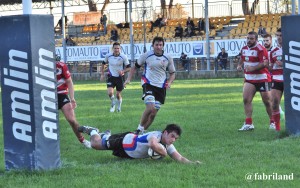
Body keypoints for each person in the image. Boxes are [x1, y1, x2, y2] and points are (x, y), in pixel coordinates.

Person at [124, 36, 176, 134]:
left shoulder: (168, 57)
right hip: (148, 83)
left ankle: (142, 131)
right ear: (152, 45)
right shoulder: (146, 55)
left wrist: (169, 82)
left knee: (153, 114)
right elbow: (134, 67)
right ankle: (139, 129)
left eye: (160, 45)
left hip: (161, 87)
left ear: (163, 46)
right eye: (156, 45)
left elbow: (173, 73)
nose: (158, 47)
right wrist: (128, 79)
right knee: (150, 107)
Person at [78, 123, 201, 164]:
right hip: (124, 142)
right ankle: (93, 130)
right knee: (95, 145)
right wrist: (163, 152)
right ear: (165, 132)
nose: (173, 140)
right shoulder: (156, 136)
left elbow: (178, 157)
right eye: (172, 136)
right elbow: (153, 144)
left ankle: (106, 135)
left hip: (129, 154)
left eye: (176, 139)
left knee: (104, 141)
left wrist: (193, 163)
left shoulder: (168, 144)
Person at [237, 31, 273, 131]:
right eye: (248, 38)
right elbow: (242, 58)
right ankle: (249, 123)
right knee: (246, 100)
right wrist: (240, 65)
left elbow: (265, 63)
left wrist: (252, 68)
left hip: (262, 78)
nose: (249, 40)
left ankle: (273, 122)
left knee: (267, 101)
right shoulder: (244, 49)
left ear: (256, 40)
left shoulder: (261, 49)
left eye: (251, 39)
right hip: (249, 79)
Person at [55, 55, 91, 148]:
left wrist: (72, 99)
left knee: (71, 120)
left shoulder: (61, 66)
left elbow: (69, 82)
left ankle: (82, 140)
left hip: (61, 94)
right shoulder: (40, 65)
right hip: (46, 94)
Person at [101, 42, 130, 112]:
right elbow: (103, 64)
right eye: (115, 48)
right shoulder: (108, 56)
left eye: (118, 48)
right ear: (112, 49)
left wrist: (123, 71)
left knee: (118, 94)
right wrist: (102, 74)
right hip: (111, 76)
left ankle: (119, 106)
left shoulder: (123, 56)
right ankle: (113, 104)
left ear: (120, 49)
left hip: (120, 78)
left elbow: (129, 68)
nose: (116, 50)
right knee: (110, 93)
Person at [269, 28, 284, 131]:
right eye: (277, 35)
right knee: (274, 103)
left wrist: (285, 64)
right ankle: (277, 128)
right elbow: (270, 67)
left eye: (281, 35)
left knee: (293, 104)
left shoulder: (292, 48)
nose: (278, 38)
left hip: (289, 79)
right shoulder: (273, 51)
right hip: (276, 79)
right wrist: (270, 66)